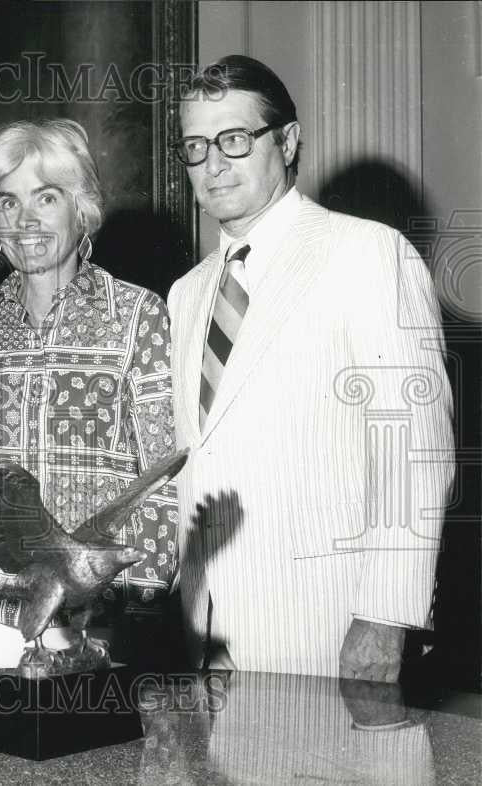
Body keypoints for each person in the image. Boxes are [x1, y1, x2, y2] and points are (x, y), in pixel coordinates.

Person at [168, 55, 454, 679]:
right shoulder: (188, 294)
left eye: (234, 140)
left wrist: (386, 616)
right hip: (205, 628)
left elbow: (412, 452)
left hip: (326, 624)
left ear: (288, 141)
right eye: (195, 147)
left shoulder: (367, 253)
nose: (213, 165)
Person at [0, 119, 179, 668]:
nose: (25, 220)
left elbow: (165, 480)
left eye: (46, 197)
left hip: (100, 619)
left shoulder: (137, 315)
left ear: (82, 210)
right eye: (8, 202)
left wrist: (127, 609)